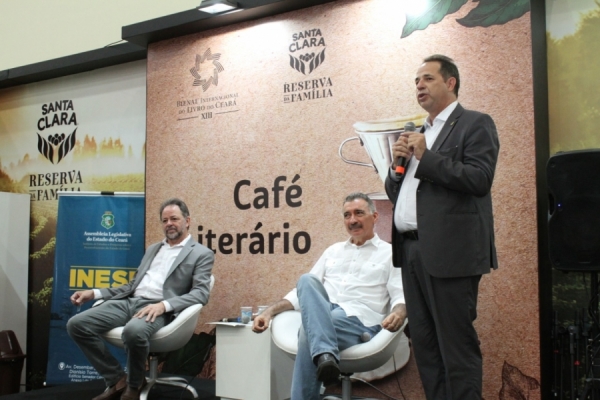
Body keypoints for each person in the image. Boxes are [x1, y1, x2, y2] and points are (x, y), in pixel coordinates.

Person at [385, 54, 499, 400]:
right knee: (426, 347)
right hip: (412, 251)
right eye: (416, 81)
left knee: (456, 347)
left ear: (450, 83)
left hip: (451, 254)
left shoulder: (475, 124)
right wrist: (395, 169)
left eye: (428, 79)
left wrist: (427, 157)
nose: (419, 85)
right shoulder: (420, 133)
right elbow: (399, 192)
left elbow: (479, 179)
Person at [252, 192, 406, 400]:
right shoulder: (333, 251)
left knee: (309, 330)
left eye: (359, 213)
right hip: (326, 314)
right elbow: (301, 294)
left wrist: (399, 312)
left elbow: (400, 295)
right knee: (306, 280)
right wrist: (269, 313)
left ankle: (321, 360)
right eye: (347, 215)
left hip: (359, 321)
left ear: (375, 217)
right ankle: (325, 355)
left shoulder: (390, 253)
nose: (352, 220)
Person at [67, 198, 214, 400]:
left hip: (160, 308)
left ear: (187, 221)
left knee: (133, 331)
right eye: (164, 220)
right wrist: (94, 293)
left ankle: (133, 386)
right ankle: (117, 378)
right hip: (128, 302)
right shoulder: (154, 249)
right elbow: (131, 285)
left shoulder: (201, 253)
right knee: (76, 324)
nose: (169, 223)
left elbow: (201, 293)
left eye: (174, 218)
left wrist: (164, 305)